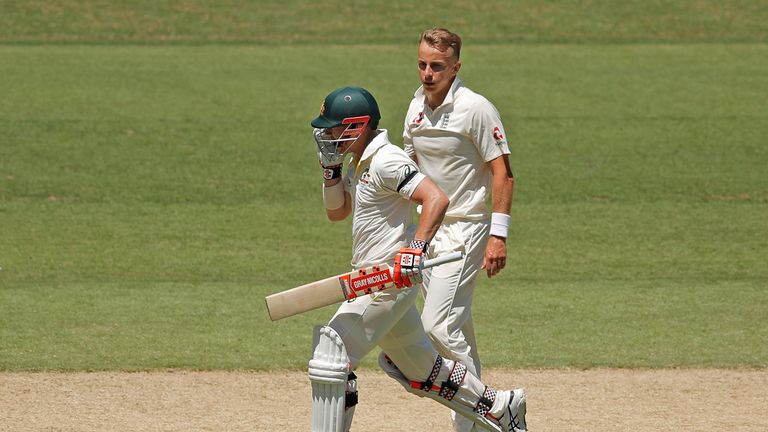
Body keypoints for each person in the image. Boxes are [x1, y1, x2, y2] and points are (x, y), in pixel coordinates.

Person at [307, 86, 527, 432]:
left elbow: (436, 199)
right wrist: (330, 170)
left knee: (331, 358)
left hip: (386, 282)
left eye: (333, 128)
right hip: (371, 278)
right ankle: (500, 407)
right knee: (423, 369)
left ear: (356, 126)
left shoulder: (387, 160)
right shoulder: (360, 162)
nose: (327, 135)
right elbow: (337, 212)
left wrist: (417, 247)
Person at [402, 28, 516, 432]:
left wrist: (498, 236)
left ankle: (489, 409)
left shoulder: (476, 108)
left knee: (437, 325)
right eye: (422, 65)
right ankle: (485, 420)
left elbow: (503, 174)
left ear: (456, 67)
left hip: (467, 228)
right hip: (430, 230)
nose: (427, 74)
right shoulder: (415, 106)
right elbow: (409, 169)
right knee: (458, 327)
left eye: (437, 66)